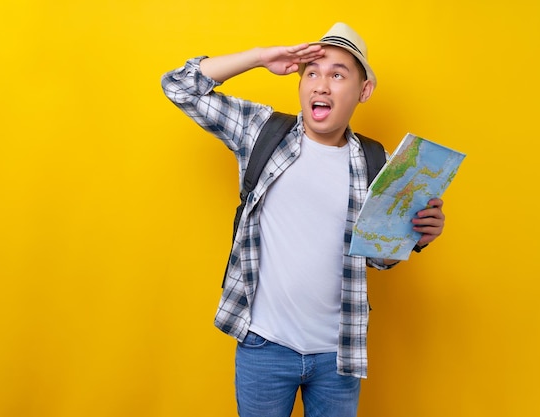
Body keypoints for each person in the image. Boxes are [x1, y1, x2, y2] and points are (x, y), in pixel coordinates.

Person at [161, 22, 445, 417]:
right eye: (311, 72)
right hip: (264, 347)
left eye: (337, 74)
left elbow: (380, 258)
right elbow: (179, 85)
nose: (321, 85)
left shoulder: (378, 164)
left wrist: (419, 235)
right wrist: (260, 57)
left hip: (338, 355)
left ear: (364, 91)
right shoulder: (261, 132)